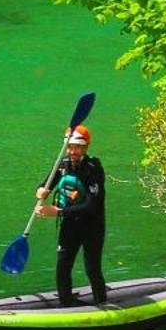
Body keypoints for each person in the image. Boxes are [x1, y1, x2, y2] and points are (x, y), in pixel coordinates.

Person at [36, 125, 107, 305]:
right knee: (62, 267)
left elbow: (91, 206)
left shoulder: (93, 168)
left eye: (77, 147)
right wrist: (41, 192)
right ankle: (65, 304)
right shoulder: (62, 165)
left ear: (85, 148)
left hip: (92, 226)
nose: (72, 151)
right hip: (70, 225)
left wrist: (57, 211)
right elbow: (45, 185)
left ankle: (102, 302)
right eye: (70, 147)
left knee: (92, 268)